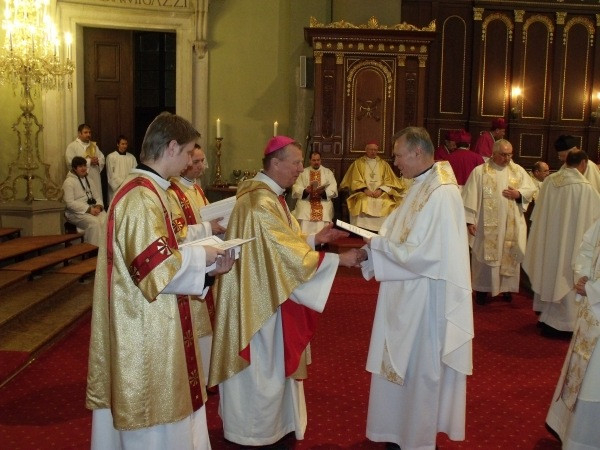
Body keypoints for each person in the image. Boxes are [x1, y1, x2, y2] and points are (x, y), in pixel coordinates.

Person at [86, 111, 235, 450]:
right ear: (171, 147)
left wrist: (209, 269)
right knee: (153, 424)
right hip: (143, 329)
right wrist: (205, 257)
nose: (189, 161)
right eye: (188, 152)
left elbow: (168, 249)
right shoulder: (140, 197)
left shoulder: (153, 191)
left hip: (157, 318)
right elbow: (154, 268)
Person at [209, 135, 362, 447]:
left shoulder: (269, 196)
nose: (300, 169)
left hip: (266, 288)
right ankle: (254, 430)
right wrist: (338, 259)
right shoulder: (260, 203)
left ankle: (273, 425)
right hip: (258, 301)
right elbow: (284, 254)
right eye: (295, 163)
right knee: (262, 366)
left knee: (271, 365)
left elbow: (282, 243)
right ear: (276, 163)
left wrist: (314, 240)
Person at [357, 127, 473, 449]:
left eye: (398, 155)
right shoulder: (420, 184)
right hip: (404, 290)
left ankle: (416, 439)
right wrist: (371, 250)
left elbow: (427, 254)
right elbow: (398, 230)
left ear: (417, 152)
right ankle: (396, 431)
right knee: (400, 364)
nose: (394, 162)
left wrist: (377, 246)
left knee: (420, 368)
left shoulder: (442, 192)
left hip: (425, 298)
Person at [523, 150, 600, 336]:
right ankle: (564, 325)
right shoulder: (586, 189)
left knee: (550, 272)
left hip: (549, 241)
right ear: (583, 164)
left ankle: (546, 317)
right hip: (572, 243)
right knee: (566, 278)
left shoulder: (550, 181)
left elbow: (537, 214)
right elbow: (594, 222)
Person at [168, 143, 226, 380]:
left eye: (203, 161)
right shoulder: (172, 193)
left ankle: (208, 374)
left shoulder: (197, 189)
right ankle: (197, 376)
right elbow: (177, 233)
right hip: (191, 269)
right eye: (196, 161)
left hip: (207, 263)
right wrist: (208, 228)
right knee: (195, 326)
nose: (202, 166)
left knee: (209, 323)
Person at [545, 217, 600, 448]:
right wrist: (583, 276)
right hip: (592, 310)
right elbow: (588, 246)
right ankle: (573, 435)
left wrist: (593, 289)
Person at [462, 139, 536, 305]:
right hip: (485, 225)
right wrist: (470, 221)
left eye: (510, 154)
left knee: (508, 255)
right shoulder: (480, 172)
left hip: (511, 225)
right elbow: (469, 197)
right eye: (503, 155)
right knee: (484, 256)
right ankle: (482, 289)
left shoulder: (518, 171)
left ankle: (506, 289)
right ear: (493, 153)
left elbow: (531, 189)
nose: (507, 158)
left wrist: (519, 194)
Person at [339, 140, 406, 232]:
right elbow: (355, 179)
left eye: (375, 150)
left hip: (380, 193)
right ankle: (361, 230)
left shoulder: (383, 164)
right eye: (371, 149)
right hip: (363, 192)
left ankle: (382, 230)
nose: (373, 152)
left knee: (387, 202)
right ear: (366, 150)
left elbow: (389, 180)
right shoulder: (358, 163)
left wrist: (381, 190)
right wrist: (365, 190)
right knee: (362, 201)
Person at [62, 156, 107, 246]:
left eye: (84, 166)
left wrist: (98, 207)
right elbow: (69, 203)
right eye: (80, 166)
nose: (83, 168)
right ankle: (93, 249)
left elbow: (97, 197)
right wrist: (89, 209)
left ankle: (105, 249)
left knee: (106, 219)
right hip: (75, 213)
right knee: (94, 223)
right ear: (74, 168)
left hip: (92, 209)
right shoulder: (68, 182)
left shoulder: (89, 179)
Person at [291, 150, 338, 233]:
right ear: (310, 160)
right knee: (303, 210)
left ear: (321, 160)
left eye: (318, 160)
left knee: (325, 211)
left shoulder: (328, 172)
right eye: (314, 160)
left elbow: (333, 188)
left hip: (322, 201)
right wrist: (305, 191)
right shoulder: (303, 172)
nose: (316, 162)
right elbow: (296, 187)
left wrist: (323, 193)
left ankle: (322, 238)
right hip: (307, 200)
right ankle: (305, 237)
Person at [65, 123, 105, 206]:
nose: (88, 135)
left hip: (94, 176)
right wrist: (89, 161)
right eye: (86, 132)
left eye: (90, 132)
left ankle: (97, 208)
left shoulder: (94, 146)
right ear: (79, 133)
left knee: (96, 197)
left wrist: (98, 161)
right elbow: (70, 162)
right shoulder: (72, 146)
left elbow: (102, 158)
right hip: (80, 178)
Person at [105, 135, 137, 204]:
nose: (125, 146)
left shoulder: (131, 157)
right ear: (118, 144)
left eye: (126, 144)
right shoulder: (111, 157)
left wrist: (129, 184)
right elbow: (110, 175)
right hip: (116, 188)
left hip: (129, 188)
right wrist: (122, 184)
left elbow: (135, 173)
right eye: (122, 144)